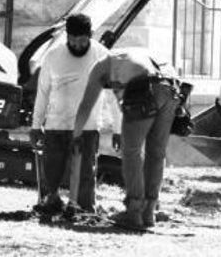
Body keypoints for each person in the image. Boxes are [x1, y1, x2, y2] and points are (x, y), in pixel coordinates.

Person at [73, 48, 181, 230]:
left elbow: (86, 105)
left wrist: (75, 134)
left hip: (145, 86)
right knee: (156, 153)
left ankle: (134, 211)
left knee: (131, 151)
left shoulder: (100, 66)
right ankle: (149, 212)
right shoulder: (133, 57)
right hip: (171, 87)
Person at [30, 13, 109, 214]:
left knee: (85, 172)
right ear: (66, 36)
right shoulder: (53, 56)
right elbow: (43, 91)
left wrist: (116, 128)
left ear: (90, 35)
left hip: (87, 128)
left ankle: (84, 209)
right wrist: (35, 125)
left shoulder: (102, 55)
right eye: (72, 40)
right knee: (52, 168)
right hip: (56, 124)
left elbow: (111, 94)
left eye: (82, 41)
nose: (77, 45)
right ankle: (51, 202)